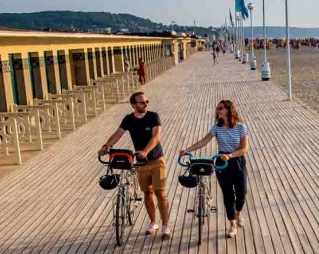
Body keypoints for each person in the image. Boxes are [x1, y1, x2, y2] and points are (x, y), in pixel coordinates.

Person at [99, 91, 170, 238]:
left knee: (160, 194)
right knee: (147, 193)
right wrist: (106, 146)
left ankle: (165, 226)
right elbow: (118, 134)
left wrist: (145, 151)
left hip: (157, 160)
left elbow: (156, 137)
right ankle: (153, 222)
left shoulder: (153, 116)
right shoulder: (128, 119)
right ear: (133, 105)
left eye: (146, 101)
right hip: (141, 163)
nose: (146, 104)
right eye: (142, 102)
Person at [179, 99, 249, 238]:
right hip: (222, 162)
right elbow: (204, 141)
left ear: (229, 110)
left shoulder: (241, 127)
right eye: (218, 108)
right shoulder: (216, 127)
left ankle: (238, 212)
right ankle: (232, 225)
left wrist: (230, 155)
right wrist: (187, 150)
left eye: (222, 108)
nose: (219, 110)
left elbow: (244, 148)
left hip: (238, 161)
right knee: (228, 195)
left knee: (242, 193)